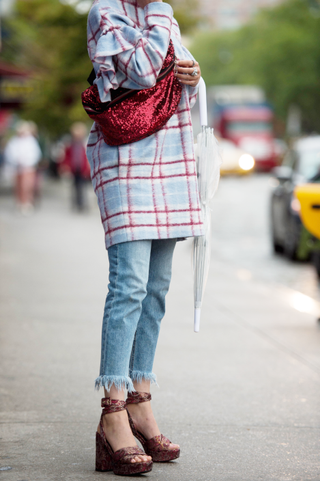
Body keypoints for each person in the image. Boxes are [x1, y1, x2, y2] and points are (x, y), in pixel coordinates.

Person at [86, 0, 203, 475]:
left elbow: (176, 93)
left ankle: (141, 399)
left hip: (170, 163)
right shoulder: (104, 13)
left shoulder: (164, 16)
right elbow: (140, 71)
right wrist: (160, 16)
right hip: (125, 164)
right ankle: (113, 412)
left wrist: (192, 77)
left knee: (155, 291)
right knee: (130, 285)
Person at [4, 121, 42, 215]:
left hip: (28, 167)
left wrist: (27, 161)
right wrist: (17, 160)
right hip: (17, 167)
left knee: (27, 186)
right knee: (18, 186)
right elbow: (10, 153)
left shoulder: (31, 141)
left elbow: (35, 154)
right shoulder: (15, 141)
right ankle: (20, 202)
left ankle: (27, 202)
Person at [61, 122, 90, 211]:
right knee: (74, 186)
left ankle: (82, 203)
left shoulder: (85, 143)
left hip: (83, 169)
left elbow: (87, 157)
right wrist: (66, 167)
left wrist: (88, 167)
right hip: (74, 168)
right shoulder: (70, 144)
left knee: (82, 186)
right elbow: (66, 157)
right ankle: (76, 203)